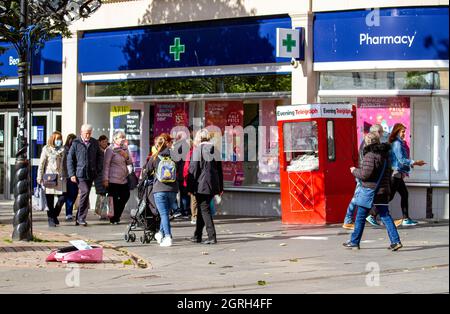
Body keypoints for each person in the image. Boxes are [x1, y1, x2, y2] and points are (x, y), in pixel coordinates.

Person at [343, 132, 402, 251]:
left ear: (367, 142)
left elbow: (365, 174)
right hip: (383, 190)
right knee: (385, 215)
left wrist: (354, 171)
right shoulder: (386, 155)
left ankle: (354, 242)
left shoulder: (370, 155)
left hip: (370, 191)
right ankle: (395, 241)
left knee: (360, 216)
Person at [343, 124, 384, 229]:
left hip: (364, 173)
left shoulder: (368, 143)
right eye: (381, 132)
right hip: (363, 174)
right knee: (357, 197)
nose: (382, 135)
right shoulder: (367, 144)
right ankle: (348, 220)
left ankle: (369, 217)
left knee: (360, 197)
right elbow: (366, 162)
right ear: (376, 133)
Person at [188, 129, 224, 245]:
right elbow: (219, 170)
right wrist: (220, 188)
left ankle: (211, 236)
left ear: (198, 138)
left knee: (204, 209)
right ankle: (197, 235)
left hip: (201, 184)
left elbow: (193, 169)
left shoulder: (198, 150)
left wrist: (189, 187)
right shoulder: (216, 150)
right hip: (213, 184)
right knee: (202, 208)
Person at [389, 123, 426, 227]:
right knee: (389, 196)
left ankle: (406, 218)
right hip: (395, 173)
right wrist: (415, 162)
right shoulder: (397, 143)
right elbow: (401, 160)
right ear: (397, 132)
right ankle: (372, 214)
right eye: (402, 131)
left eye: (404, 131)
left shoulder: (400, 143)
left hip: (399, 173)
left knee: (404, 194)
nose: (404, 133)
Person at [145, 133, 179, 247]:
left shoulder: (155, 157)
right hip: (173, 189)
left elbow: (147, 172)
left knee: (163, 214)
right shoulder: (174, 156)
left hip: (159, 189)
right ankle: (160, 233)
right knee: (165, 214)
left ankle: (168, 237)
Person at [67, 124, 104, 226]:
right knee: (85, 191)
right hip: (80, 174)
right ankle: (81, 218)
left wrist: (98, 168)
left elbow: (100, 156)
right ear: (81, 132)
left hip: (91, 173)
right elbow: (70, 159)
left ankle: (79, 217)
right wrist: (72, 174)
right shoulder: (76, 143)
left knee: (85, 194)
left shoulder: (94, 142)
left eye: (89, 133)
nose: (88, 135)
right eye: (86, 133)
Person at [37, 131, 67, 227]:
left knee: (63, 197)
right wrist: (39, 177)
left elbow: (65, 163)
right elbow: (41, 164)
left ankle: (54, 214)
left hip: (61, 177)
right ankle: (50, 218)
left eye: (60, 139)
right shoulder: (46, 149)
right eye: (57, 139)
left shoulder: (63, 150)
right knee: (49, 199)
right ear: (53, 139)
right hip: (49, 176)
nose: (59, 141)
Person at [103, 131, 132, 224]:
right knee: (114, 199)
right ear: (115, 139)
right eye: (121, 137)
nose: (123, 139)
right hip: (112, 179)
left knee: (125, 196)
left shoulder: (125, 148)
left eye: (124, 137)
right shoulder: (110, 149)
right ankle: (114, 218)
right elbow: (106, 165)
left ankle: (117, 215)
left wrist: (126, 156)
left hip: (123, 178)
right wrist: (105, 179)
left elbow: (129, 162)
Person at [94, 135, 109, 220]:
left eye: (106, 141)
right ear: (99, 142)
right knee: (101, 194)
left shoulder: (109, 150)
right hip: (99, 176)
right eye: (103, 141)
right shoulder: (97, 150)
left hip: (108, 175)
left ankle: (105, 213)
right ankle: (100, 213)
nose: (105, 143)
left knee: (108, 194)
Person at [63, 133, 78, 221]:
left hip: (75, 174)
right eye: (72, 140)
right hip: (68, 175)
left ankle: (69, 212)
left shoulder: (75, 149)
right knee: (70, 195)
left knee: (74, 194)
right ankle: (68, 213)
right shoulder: (65, 149)